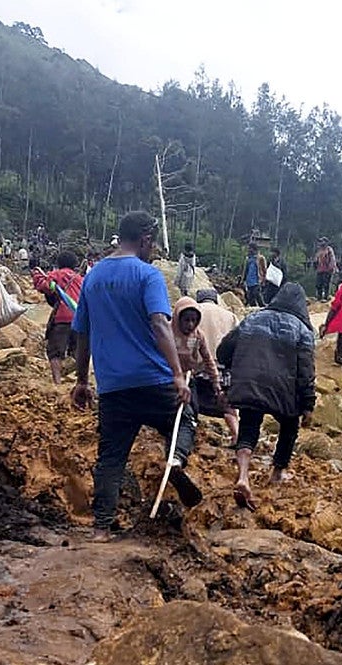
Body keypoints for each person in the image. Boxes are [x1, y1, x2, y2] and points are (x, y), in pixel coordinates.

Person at [71, 211, 202, 542]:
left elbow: (82, 335)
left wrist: (82, 381)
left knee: (111, 457)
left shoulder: (93, 277)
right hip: (153, 379)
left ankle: (101, 528)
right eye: (153, 242)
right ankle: (174, 459)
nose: (154, 248)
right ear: (145, 239)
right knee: (184, 419)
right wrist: (176, 374)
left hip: (113, 386)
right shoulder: (148, 275)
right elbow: (160, 323)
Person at [217, 283, 316, 512]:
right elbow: (306, 371)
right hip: (283, 391)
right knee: (289, 426)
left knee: (249, 426)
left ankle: (243, 475)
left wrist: (232, 370)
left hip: (250, 384)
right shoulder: (302, 330)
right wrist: (308, 404)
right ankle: (278, 471)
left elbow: (223, 350)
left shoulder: (253, 319)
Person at [194, 289, 240, 444]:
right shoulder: (230, 316)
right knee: (228, 408)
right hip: (222, 369)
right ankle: (237, 436)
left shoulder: (194, 311)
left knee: (190, 403)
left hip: (198, 368)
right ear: (215, 300)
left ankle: (189, 435)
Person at [32, 250, 83, 384]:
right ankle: (78, 381)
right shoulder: (80, 279)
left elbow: (43, 286)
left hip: (62, 317)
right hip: (79, 318)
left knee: (55, 352)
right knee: (77, 351)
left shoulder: (56, 274)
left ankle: (57, 382)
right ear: (75, 265)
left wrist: (36, 275)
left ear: (58, 263)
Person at [241, 242, 266, 307]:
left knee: (257, 294)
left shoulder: (260, 258)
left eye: (250, 248)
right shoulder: (248, 259)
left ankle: (262, 306)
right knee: (250, 296)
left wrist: (263, 280)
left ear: (254, 249)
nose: (249, 250)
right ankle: (253, 307)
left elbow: (264, 270)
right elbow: (245, 270)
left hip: (257, 280)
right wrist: (243, 279)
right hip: (249, 281)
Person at [314, 237, 337, 301]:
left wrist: (332, 268)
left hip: (327, 270)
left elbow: (332, 259)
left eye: (322, 241)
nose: (321, 243)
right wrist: (315, 264)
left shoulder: (329, 250)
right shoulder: (319, 250)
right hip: (320, 270)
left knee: (326, 284)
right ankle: (319, 296)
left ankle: (325, 297)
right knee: (318, 284)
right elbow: (316, 259)